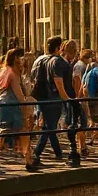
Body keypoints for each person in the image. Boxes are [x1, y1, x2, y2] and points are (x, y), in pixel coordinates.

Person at [29, 36, 67, 169]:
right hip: (53, 97)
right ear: (59, 48)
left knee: (49, 125)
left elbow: (33, 78)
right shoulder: (56, 61)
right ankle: (36, 153)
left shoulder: (40, 60)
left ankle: (58, 152)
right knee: (49, 127)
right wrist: (66, 98)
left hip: (42, 97)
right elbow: (58, 81)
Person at [0, 48, 32, 167]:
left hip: (2, 104)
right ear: (16, 59)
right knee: (24, 131)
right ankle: (28, 160)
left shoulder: (4, 71)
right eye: (21, 57)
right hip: (11, 105)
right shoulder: (13, 75)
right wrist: (28, 102)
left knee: (2, 135)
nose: (23, 59)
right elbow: (19, 96)